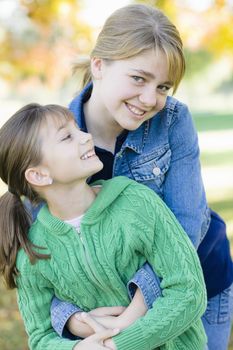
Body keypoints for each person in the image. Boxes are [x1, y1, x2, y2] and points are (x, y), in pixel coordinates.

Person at [49, 4, 233, 350]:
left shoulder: (174, 121)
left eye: (163, 86)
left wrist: (135, 312)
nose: (150, 99)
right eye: (138, 78)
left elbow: (187, 222)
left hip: (197, 283)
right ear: (99, 65)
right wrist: (74, 319)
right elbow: (45, 249)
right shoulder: (53, 139)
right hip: (109, 308)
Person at [0, 103, 207, 350]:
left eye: (78, 129)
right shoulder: (33, 252)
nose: (86, 137)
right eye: (67, 136)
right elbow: (41, 337)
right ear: (38, 176)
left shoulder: (136, 203)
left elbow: (188, 290)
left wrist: (119, 345)